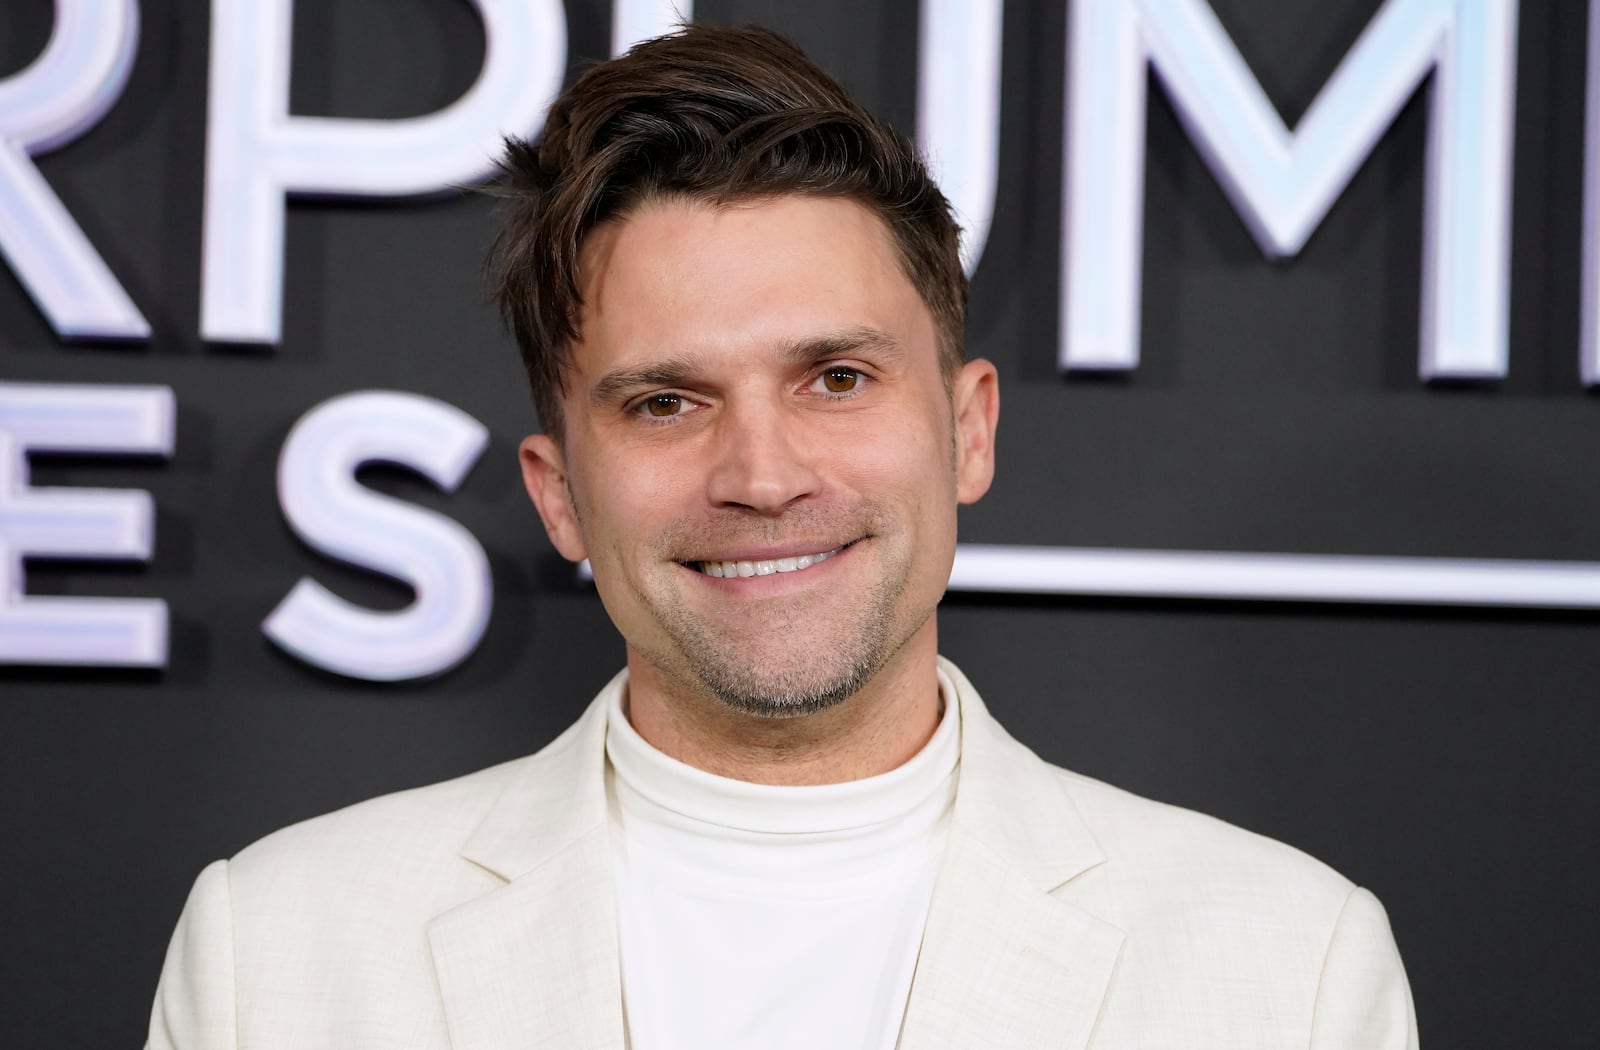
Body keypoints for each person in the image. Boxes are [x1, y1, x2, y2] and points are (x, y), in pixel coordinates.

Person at [146, 24, 1417, 1050]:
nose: (760, 475)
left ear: (968, 431)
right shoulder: (277, 951)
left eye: (837, 380)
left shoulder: (1287, 966)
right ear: (559, 496)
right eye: (664, 402)